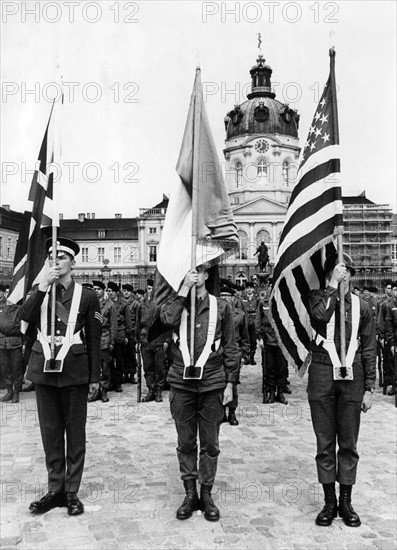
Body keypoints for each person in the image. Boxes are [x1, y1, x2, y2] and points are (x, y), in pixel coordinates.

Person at [19, 237, 101, 516]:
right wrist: (42, 287)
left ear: (73, 263)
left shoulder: (87, 296)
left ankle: (71, 492)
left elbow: (94, 339)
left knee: (75, 434)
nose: (56, 261)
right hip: (44, 370)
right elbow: (24, 318)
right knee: (50, 432)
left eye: (62, 257)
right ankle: (55, 489)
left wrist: (95, 377)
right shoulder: (39, 291)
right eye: (51, 256)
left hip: (74, 371)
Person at [160, 265, 239, 521]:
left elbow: (230, 346)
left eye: (199, 271)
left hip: (212, 382)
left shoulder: (222, 307)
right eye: (188, 272)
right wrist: (183, 292)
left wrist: (230, 384)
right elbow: (167, 321)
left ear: (207, 275)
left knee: (210, 443)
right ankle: (189, 492)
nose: (194, 276)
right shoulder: (175, 304)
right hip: (181, 383)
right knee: (185, 442)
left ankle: (206, 493)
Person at [307, 253, 376, 528]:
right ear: (329, 274)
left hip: (353, 375)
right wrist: (333, 288)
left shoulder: (364, 307)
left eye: (347, 270)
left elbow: (369, 348)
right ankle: (329, 502)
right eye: (338, 270)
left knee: (348, 442)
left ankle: (346, 501)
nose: (344, 274)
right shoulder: (316, 297)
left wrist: (370, 387)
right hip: (323, 371)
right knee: (324, 442)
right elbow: (320, 316)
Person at [219, 286, 249, 425]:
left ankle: (232, 413)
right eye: (222, 295)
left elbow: (245, 337)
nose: (225, 298)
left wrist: (243, 355)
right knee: (219, 383)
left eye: (228, 295)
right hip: (219, 351)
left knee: (233, 383)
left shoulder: (240, 315)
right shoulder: (215, 312)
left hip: (235, 351)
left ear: (233, 298)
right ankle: (220, 413)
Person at [136, 279, 169, 402]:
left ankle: (159, 389)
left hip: (159, 339)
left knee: (159, 367)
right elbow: (138, 324)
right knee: (148, 367)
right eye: (149, 289)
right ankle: (151, 390)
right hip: (145, 340)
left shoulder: (163, 305)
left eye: (153, 289)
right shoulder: (141, 305)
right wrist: (137, 340)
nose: (150, 291)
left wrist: (167, 340)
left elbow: (167, 323)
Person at [255, 287, 288, 405]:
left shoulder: (285, 301)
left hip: (281, 341)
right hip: (268, 339)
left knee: (281, 367)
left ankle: (280, 392)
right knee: (269, 368)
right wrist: (259, 338)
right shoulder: (263, 303)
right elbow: (258, 320)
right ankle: (271, 391)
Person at [90, 280, 117, 403]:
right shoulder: (89, 304)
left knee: (105, 366)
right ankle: (95, 391)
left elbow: (113, 325)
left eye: (98, 289)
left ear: (103, 291)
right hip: (91, 338)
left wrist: (112, 341)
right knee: (93, 365)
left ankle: (104, 390)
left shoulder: (109, 305)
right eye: (94, 289)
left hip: (104, 337)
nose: (96, 291)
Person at [107, 281, 131, 392]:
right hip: (109, 334)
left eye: (112, 291)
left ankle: (118, 382)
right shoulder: (106, 304)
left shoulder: (123, 305)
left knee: (120, 360)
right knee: (109, 360)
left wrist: (127, 335)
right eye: (108, 291)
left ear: (117, 292)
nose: (110, 293)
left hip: (120, 335)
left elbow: (128, 322)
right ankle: (112, 380)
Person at [0, 296, 25, 403]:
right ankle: (9, 391)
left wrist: (25, 342)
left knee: (17, 368)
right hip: (2, 343)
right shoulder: (0, 309)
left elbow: (24, 327)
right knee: (5, 368)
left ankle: (16, 392)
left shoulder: (19, 309)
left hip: (16, 342)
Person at [122, 283, 138, 384]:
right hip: (123, 331)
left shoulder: (135, 304)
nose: (126, 293)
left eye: (128, 291)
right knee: (123, 354)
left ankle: (132, 375)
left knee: (131, 354)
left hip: (132, 331)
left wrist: (136, 333)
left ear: (131, 293)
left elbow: (137, 319)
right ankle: (125, 374)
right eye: (124, 291)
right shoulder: (120, 303)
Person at [241, 282, 260, 364]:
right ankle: (246, 356)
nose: (249, 289)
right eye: (247, 288)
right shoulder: (242, 298)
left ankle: (252, 356)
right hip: (244, 321)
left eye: (250, 288)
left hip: (253, 322)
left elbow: (259, 310)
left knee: (253, 340)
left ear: (253, 289)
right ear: (245, 289)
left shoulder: (257, 298)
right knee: (245, 339)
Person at [384, 281, 397, 397]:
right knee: (394, 364)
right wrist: (392, 343)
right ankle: (394, 385)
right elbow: (388, 326)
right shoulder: (390, 306)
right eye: (395, 290)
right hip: (395, 340)